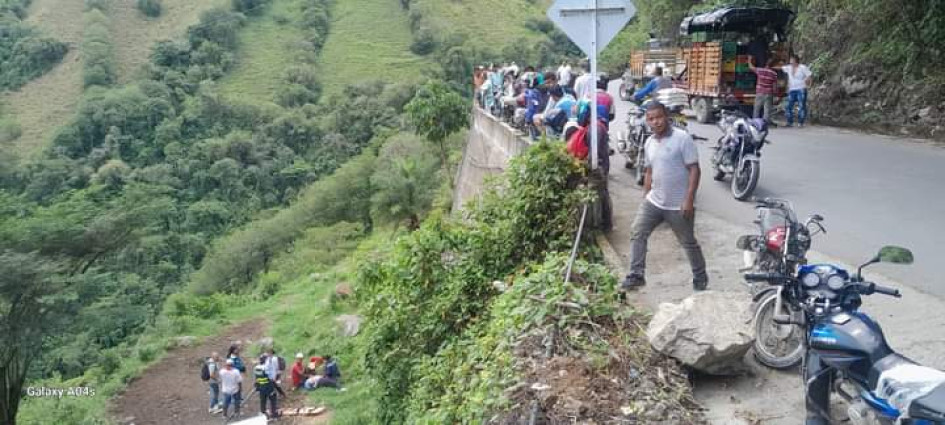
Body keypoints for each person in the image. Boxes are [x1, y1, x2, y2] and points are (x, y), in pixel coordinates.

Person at [621, 102, 708, 292]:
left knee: (688, 242)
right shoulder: (649, 142)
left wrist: (689, 200)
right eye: (651, 119)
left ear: (666, 116)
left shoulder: (682, 138)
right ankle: (637, 275)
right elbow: (649, 171)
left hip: (678, 205)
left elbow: (694, 170)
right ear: (647, 121)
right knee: (637, 232)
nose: (656, 122)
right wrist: (645, 195)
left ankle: (700, 277)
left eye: (659, 117)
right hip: (654, 201)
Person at [782, 54, 812, 127]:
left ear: (796, 61)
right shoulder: (788, 68)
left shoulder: (802, 67)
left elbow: (809, 76)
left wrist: (809, 85)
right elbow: (780, 67)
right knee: (788, 106)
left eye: (792, 61)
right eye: (790, 61)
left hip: (801, 88)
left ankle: (800, 122)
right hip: (792, 89)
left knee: (801, 105)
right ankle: (789, 122)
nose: (791, 62)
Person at [749, 57, 779, 123]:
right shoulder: (774, 74)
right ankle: (765, 123)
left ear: (766, 64)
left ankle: (755, 122)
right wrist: (776, 94)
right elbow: (775, 86)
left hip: (760, 92)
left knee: (757, 108)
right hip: (769, 93)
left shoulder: (760, 70)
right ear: (773, 65)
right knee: (767, 109)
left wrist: (749, 60)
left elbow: (751, 67)